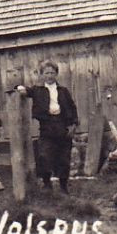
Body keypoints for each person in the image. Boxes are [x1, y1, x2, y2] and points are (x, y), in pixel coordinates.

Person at [19, 61, 78, 193]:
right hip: (47, 127)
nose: (49, 76)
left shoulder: (63, 91)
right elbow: (25, 91)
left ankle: (63, 186)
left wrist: (73, 125)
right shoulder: (37, 90)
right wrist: (19, 88)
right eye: (46, 73)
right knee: (44, 155)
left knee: (64, 158)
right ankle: (47, 184)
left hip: (63, 126)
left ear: (56, 74)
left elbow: (72, 107)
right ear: (42, 75)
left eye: (52, 73)